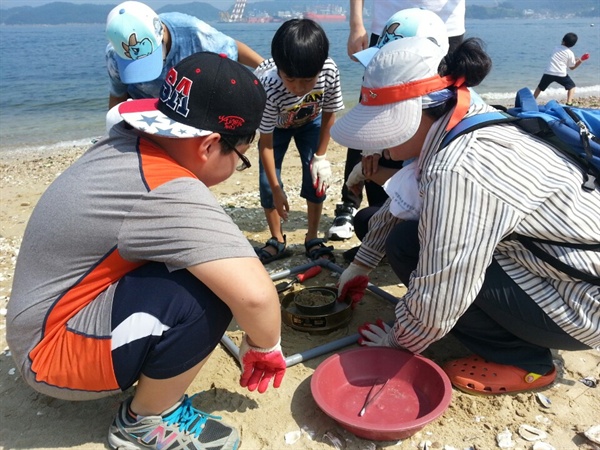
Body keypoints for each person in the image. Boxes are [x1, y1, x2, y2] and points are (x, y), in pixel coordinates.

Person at [7, 52, 287, 450]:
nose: (237, 168)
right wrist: (264, 347)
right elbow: (257, 297)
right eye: (241, 159)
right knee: (210, 297)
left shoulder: (128, 140)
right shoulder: (166, 188)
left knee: (203, 268)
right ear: (209, 146)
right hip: (49, 354)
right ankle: (142, 422)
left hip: (39, 321)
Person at [331, 36, 600, 395]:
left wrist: (398, 342)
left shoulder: (458, 169)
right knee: (407, 239)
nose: (378, 141)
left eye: (385, 124)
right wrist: (362, 264)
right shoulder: (471, 119)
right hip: (565, 269)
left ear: (422, 111)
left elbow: (444, 290)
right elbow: (404, 203)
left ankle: (525, 361)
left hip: (584, 306)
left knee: (420, 257)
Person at [327, 0, 465, 241]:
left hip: (444, 26)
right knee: (373, 117)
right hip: (390, 23)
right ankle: (376, 209)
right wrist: (367, 161)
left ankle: (400, 224)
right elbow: (370, 119)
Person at [253, 18, 344, 264]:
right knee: (266, 181)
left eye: (307, 80)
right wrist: (276, 188)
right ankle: (277, 240)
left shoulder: (329, 70)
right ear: (280, 71)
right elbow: (266, 142)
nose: (298, 88)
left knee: (317, 179)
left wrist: (321, 157)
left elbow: (329, 115)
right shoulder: (269, 84)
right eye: (290, 79)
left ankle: (312, 238)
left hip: (310, 123)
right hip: (277, 129)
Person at [106, 0, 264, 109]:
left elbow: (232, 48)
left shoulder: (193, 32)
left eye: (149, 58)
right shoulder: (115, 54)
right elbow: (118, 95)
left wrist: (268, 68)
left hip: (190, 108)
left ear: (161, 33)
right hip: (146, 113)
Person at [533, 32, 589, 105]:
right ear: (573, 45)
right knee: (572, 87)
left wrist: (575, 59)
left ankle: (532, 100)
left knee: (540, 88)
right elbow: (572, 67)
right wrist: (580, 60)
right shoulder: (570, 53)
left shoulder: (556, 48)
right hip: (561, 74)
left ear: (563, 40)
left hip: (549, 72)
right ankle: (569, 102)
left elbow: (562, 58)